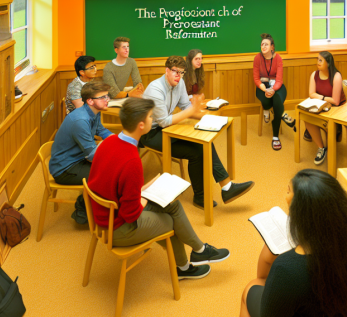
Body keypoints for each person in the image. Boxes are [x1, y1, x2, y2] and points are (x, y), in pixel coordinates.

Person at [88, 98, 231, 279]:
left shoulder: (109, 141)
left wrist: (145, 188)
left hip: (104, 213)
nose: (152, 119)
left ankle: (199, 250)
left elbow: (115, 183)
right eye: (150, 117)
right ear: (141, 125)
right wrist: (146, 197)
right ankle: (183, 268)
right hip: (116, 227)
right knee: (170, 221)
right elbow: (130, 214)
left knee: (174, 206)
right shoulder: (132, 161)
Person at [239, 169, 347, 317]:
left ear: (301, 212)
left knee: (251, 287)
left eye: (289, 191)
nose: (286, 196)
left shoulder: (286, 269)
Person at [141, 56, 255, 209]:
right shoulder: (155, 89)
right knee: (198, 149)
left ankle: (219, 190)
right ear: (166, 71)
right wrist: (192, 111)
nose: (178, 76)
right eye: (175, 72)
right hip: (150, 133)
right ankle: (216, 192)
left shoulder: (179, 82)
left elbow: (185, 107)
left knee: (201, 144)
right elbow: (164, 121)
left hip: (167, 128)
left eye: (181, 72)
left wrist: (207, 115)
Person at [50, 81, 114, 224]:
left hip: (78, 158)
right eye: (103, 97)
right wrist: (107, 147)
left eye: (107, 96)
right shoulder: (80, 120)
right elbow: (93, 156)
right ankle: (82, 210)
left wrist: (116, 139)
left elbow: (101, 130)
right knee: (108, 174)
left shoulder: (93, 111)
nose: (107, 100)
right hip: (65, 169)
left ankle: (89, 204)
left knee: (112, 168)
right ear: (90, 100)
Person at [253, 33, 295, 150]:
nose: (263, 46)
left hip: (277, 86)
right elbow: (256, 79)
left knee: (276, 100)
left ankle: (275, 136)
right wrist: (265, 89)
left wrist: (272, 89)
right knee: (267, 102)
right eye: (262, 44)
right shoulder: (257, 58)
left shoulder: (278, 58)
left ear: (272, 47)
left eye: (266, 44)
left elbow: (279, 79)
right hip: (262, 87)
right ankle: (281, 114)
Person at [304, 51, 345, 165]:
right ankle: (321, 148)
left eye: (321, 60)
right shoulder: (314, 74)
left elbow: (335, 101)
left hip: (335, 108)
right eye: (317, 59)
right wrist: (325, 98)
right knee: (307, 118)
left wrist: (320, 97)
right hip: (321, 105)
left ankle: (337, 129)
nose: (318, 62)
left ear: (328, 63)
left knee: (331, 135)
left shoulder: (336, 76)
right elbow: (311, 93)